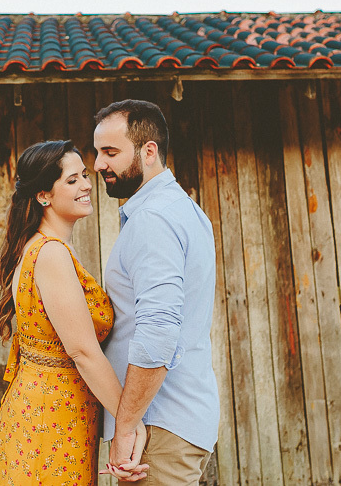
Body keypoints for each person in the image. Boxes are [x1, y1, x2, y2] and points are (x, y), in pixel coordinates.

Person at [0, 140, 148, 485]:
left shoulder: (36, 247)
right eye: (72, 180)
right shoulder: (50, 254)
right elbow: (83, 352)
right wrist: (129, 422)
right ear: (44, 195)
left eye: (85, 176)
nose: (87, 185)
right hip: (50, 417)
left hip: (48, 409)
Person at [93, 100, 220, 485]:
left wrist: (126, 426)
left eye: (110, 152)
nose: (98, 164)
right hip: (175, 422)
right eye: (98, 152)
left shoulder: (153, 219)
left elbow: (159, 329)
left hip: (157, 429)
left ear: (149, 151)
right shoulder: (182, 210)